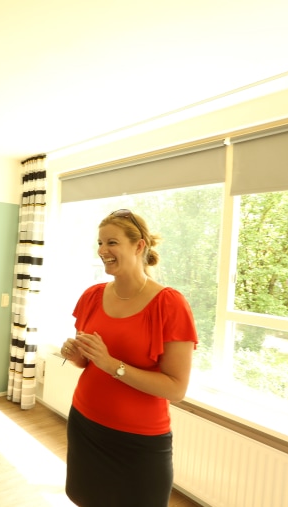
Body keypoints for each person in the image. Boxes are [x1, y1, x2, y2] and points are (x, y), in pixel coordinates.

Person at [60, 209, 198, 507]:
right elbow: (86, 363)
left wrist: (113, 365)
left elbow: (176, 389)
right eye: (99, 243)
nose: (102, 251)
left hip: (139, 442)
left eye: (111, 242)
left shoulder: (169, 304)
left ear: (139, 246)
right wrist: (75, 355)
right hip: (85, 424)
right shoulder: (92, 296)